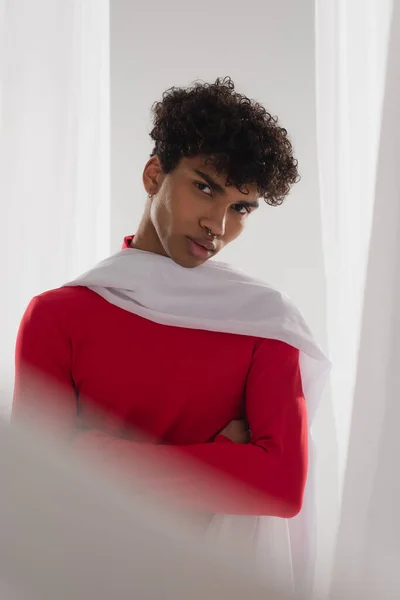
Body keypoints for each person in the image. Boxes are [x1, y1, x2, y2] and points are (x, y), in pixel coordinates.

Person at [12, 78, 326, 527]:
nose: (216, 224)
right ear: (154, 175)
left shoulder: (264, 324)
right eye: (204, 188)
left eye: (241, 208)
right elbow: (38, 486)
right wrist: (221, 459)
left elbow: (281, 486)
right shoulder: (57, 317)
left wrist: (89, 452)